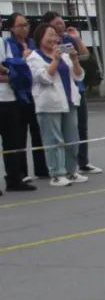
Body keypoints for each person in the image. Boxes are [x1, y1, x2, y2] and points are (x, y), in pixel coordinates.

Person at [42, 11, 102, 174]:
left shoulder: (68, 39)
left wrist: (76, 38)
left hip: (76, 89)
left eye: (62, 22)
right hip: (58, 92)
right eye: (57, 23)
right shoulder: (44, 44)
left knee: (80, 128)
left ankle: (83, 162)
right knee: (60, 132)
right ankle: (61, 167)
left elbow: (85, 56)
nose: (61, 26)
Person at [27, 22, 86, 187]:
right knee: (54, 140)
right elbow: (44, 78)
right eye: (50, 35)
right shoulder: (34, 57)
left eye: (55, 35)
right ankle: (57, 174)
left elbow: (78, 76)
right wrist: (55, 59)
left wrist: (74, 60)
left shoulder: (64, 55)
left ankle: (71, 171)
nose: (54, 39)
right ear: (40, 38)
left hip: (69, 101)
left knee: (72, 139)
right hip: (49, 104)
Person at [2, 13, 48, 185]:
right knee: (18, 135)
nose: (25, 28)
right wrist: (23, 60)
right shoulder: (8, 43)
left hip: (35, 92)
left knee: (38, 132)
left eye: (26, 24)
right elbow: (11, 65)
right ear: (12, 28)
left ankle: (42, 167)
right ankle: (20, 172)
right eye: (20, 25)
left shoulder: (32, 43)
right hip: (19, 94)